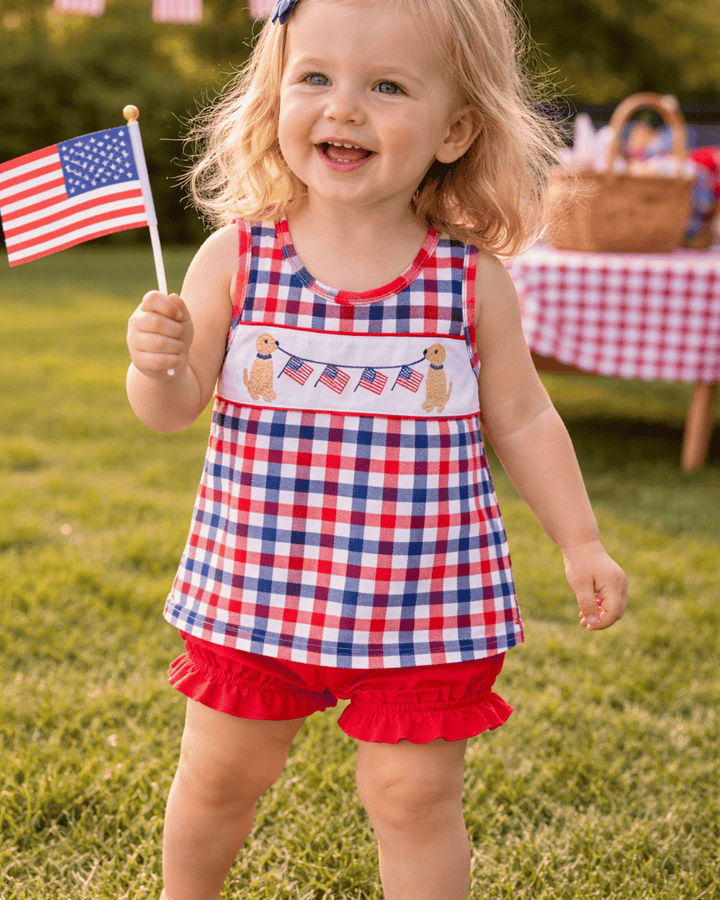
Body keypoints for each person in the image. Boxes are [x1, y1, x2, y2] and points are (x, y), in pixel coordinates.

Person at [126, 1, 628, 898]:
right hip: (257, 586)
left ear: (456, 129)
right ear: (275, 94)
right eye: (314, 77)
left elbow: (523, 418)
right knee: (219, 775)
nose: (343, 108)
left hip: (420, 597)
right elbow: (170, 411)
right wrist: (157, 366)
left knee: (413, 794)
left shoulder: (470, 281)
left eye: (387, 87)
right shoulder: (237, 258)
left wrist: (581, 541)